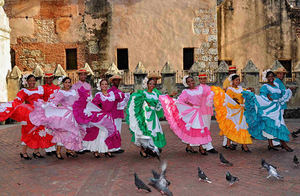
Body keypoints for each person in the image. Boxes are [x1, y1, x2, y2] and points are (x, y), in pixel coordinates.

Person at [0, 74, 54, 160]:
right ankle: (23, 152)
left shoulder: (40, 89)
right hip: (29, 114)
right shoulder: (24, 91)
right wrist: (8, 106)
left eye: (33, 80)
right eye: (30, 81)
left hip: (39, 113)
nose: (32, 82)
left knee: (39, 132)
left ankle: (36, 151)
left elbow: (46, 98)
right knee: (28, 132)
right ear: (27, 82)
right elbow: (17, 101)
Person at [30, 76, 85, 159]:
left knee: (72, 133)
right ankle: (58, 151)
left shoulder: (74, 91)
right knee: (62, 133)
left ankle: (69, 150)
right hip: (64, 114)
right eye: (66, 82)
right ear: (63, 83)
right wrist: (46, 106)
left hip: (73, 114)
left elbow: (78, 101)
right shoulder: (61, 92)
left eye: (69, 82)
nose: (67, 84)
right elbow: (54, 102)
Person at [159, 75, 214, 155]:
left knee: (198, 129)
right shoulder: (186, 92)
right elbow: (179, 101)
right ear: (186, 83)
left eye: (192, 81)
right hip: (191, 113)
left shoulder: (200, 89)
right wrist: (188, 103)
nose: (191, 83)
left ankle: (190, 147)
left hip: (198, 112)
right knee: (193, 129)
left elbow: (208, 92)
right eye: (189, 82)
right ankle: (200, 147)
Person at [242, 71, 293, 152]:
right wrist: (268, 98)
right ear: (266, 78)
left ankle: (273, 145)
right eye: (269, 76)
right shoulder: (264, 87)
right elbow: (263, 97)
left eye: (272, 76)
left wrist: (288, 91)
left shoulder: (276, 85)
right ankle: (281, 144)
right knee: (273, 125)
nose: (271, 78)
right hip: (269, 108)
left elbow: (282, 95)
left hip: (277, 108)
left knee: (276, 125)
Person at [73, 79, 121, 158]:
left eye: (106, 84)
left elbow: (120, 97)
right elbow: (93, 105)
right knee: (100, 133)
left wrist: (129, 94)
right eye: (103, 84)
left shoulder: (112, 95)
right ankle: (96, 150)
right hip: (101, 117)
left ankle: (106, 150)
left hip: (109, 117)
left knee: (108, 133)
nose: (104, 86)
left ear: (108, 85)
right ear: (100, 86)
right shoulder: (99, 95)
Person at [126, 77, 166, 158]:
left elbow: (158, 105)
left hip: (153, 116)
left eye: (153, 84)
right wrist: (144, 103)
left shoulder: (155, 94)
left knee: (153, 132)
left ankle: (150, 148)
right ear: (147, 84)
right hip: (145, 116)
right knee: (143, 132)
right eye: (150, 83)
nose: (152, 85)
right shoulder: (143, 93)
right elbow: (137, 101)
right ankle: (142, 150)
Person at [212, 74, 252, 152]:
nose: (238, 81)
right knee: (233, 126)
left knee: (242, 126)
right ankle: (228, 143)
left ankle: (244, 145)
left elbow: (245, 93)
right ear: (232, 81)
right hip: (233, 111)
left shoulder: (241, 89)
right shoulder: (230, 90)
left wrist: (249, 91)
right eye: (236, 80)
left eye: (238, 80)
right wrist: (233, 100)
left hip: (240, 110)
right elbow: (227, 100)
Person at [107, 75, 130, 154]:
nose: (117, 82)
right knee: (113, 130)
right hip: (113, 113)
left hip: (119, 113)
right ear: (112, 82)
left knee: (118, 130)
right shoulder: (110, 91)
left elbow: (123, 98)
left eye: (118, 80)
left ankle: (117, 147)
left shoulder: (118, 91)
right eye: (116, 80)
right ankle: (111, 148)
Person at [42, 71, 60, 156]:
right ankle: (48, 149)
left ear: (53, 78)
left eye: (50, 78)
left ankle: (54, 147)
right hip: (46, 111)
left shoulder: (57, 88)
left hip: (55, 111)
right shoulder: (42, 88)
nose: (48, 79)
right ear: (45, 79)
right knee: (47, 129)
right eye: (47, 78)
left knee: (54, 129)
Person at [222, 65, 238, 148]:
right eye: (232, 71)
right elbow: (224, 93)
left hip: (236, 107)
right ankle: (226, 143)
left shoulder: (236, 80)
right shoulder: (226, 81)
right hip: (229, 105)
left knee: (234, 123)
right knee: (229, 123)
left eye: (234, 71)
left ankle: (231, 142)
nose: (233, 73)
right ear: (229, 72)